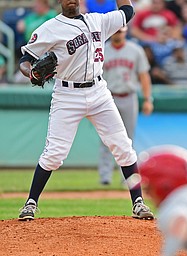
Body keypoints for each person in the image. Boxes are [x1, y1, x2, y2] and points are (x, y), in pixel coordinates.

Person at [17, 0, 154, 221]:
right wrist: (31, 73)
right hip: (67, 95)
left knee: (123, 147)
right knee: (54, 154)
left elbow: (127, 11)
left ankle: (138, 202)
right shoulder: (50, 28)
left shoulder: (98, 20)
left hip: (99, 91)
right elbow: (26, 59)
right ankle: (31, 203)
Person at [98, 25, 154, 185]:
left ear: (126, 31)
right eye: (115, 31)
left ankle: (128, 178)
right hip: (108, 97)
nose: (118, 34)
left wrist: (148, 99)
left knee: (127, 139)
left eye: (120, 31)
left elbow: (144, 76)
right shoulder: (102, 49)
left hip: (129, 96)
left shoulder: (135, 50)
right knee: (105, 138)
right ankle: (105, 177)